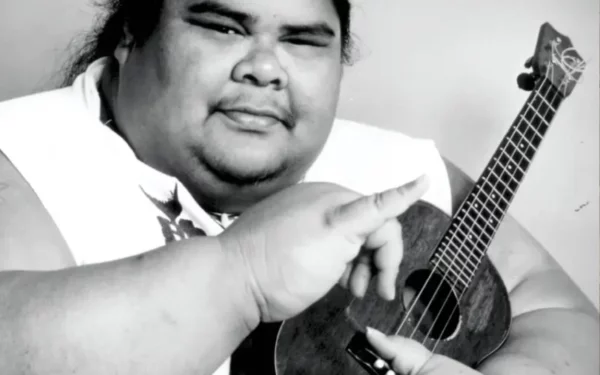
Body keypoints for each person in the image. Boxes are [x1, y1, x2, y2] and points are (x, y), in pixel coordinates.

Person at [0, 0, 597, 374]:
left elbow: (558, 309)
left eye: (304, 39)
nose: (264, 67)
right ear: (132, 30)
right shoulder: (19, 157)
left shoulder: (403, 171)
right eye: (223, 27)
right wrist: (243, 276)